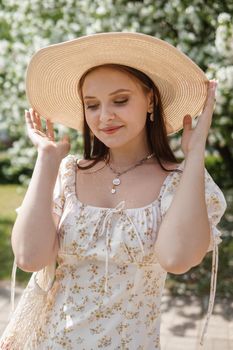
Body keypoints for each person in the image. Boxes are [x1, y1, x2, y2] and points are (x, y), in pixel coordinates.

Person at [0, 32, 227, 349]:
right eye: (92, 105)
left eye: (120, 100)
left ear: (150, 99)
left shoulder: (182, 181)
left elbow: (176, 258)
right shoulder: (67, 173)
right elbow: (28, 256)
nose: (104, 116)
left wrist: (196, 151)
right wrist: (46, 158)